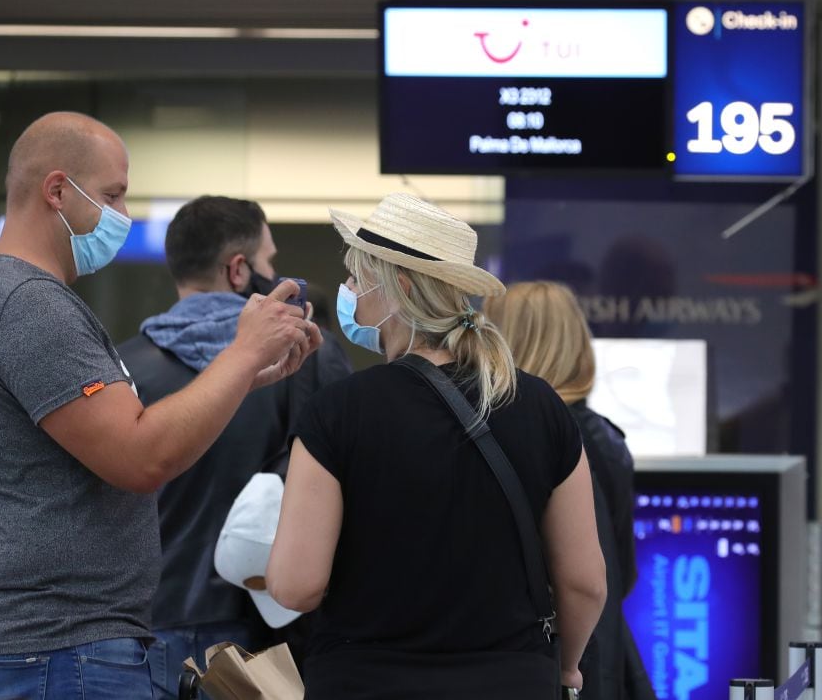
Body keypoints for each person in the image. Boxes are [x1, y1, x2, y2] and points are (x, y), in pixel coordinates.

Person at [0, 112, 321, 699]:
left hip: (50, 649)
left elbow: (133, 437)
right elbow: (141, 456)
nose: (123, 214)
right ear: (57, 190)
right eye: (112, 195)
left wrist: (244, 377)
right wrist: (241, 353)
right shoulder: (28, 306)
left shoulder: (3, 299)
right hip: (58, 652)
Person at [265, 193, 607, 699]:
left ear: (398, 285)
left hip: (366, 682)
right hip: (511, 683)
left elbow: (297, 585)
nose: (350, 293)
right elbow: (584, 583)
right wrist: (568, 667)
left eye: (358, 279)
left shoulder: (339, 411)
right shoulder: (539, 405)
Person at [116, 195, 351, 699]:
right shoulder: (309, 354)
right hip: (266, 633)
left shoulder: (119, 368)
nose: (274, 272)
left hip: (144, 625)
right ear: (239, 270)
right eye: (269, 262)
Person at [485, 281, 654, 700]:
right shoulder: (607, 442)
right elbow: (618, 573)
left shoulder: (509, 437)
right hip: (598, 656)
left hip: (539, 660)